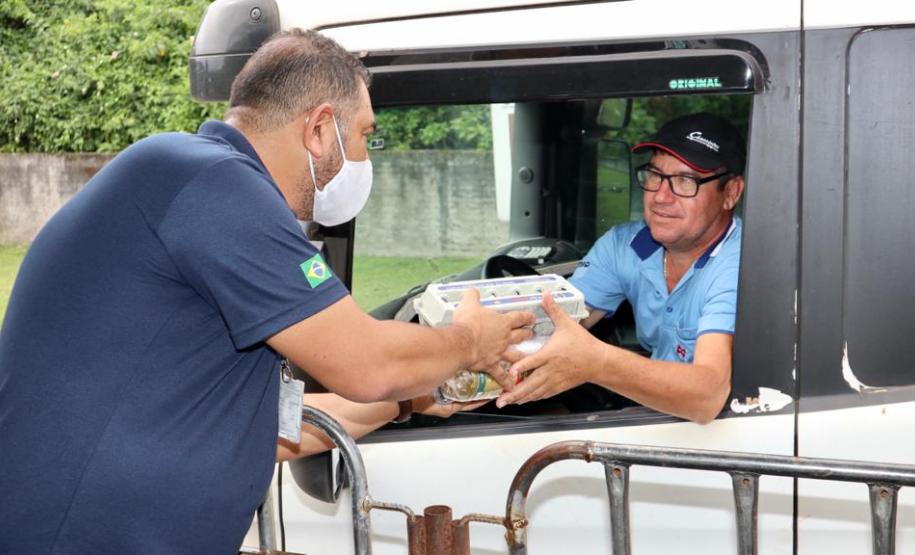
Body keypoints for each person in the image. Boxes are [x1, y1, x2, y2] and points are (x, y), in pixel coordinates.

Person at [0, 29, 533, 554]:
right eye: (366, 135)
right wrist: (469, 341)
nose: (368, 155)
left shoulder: (199, 182)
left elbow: (273, 430)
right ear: (320, 128)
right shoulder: (211, 184)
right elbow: (366, 362)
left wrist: (414, 398)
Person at [496, 113, 746, 424]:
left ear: (731, 193)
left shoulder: (741, 264)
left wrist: (596, 363)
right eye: (655, 175)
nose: (660, 197)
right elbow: (555, 322)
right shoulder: (625, 245)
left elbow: (708, 397)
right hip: (655, 418)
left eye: (685, 181)